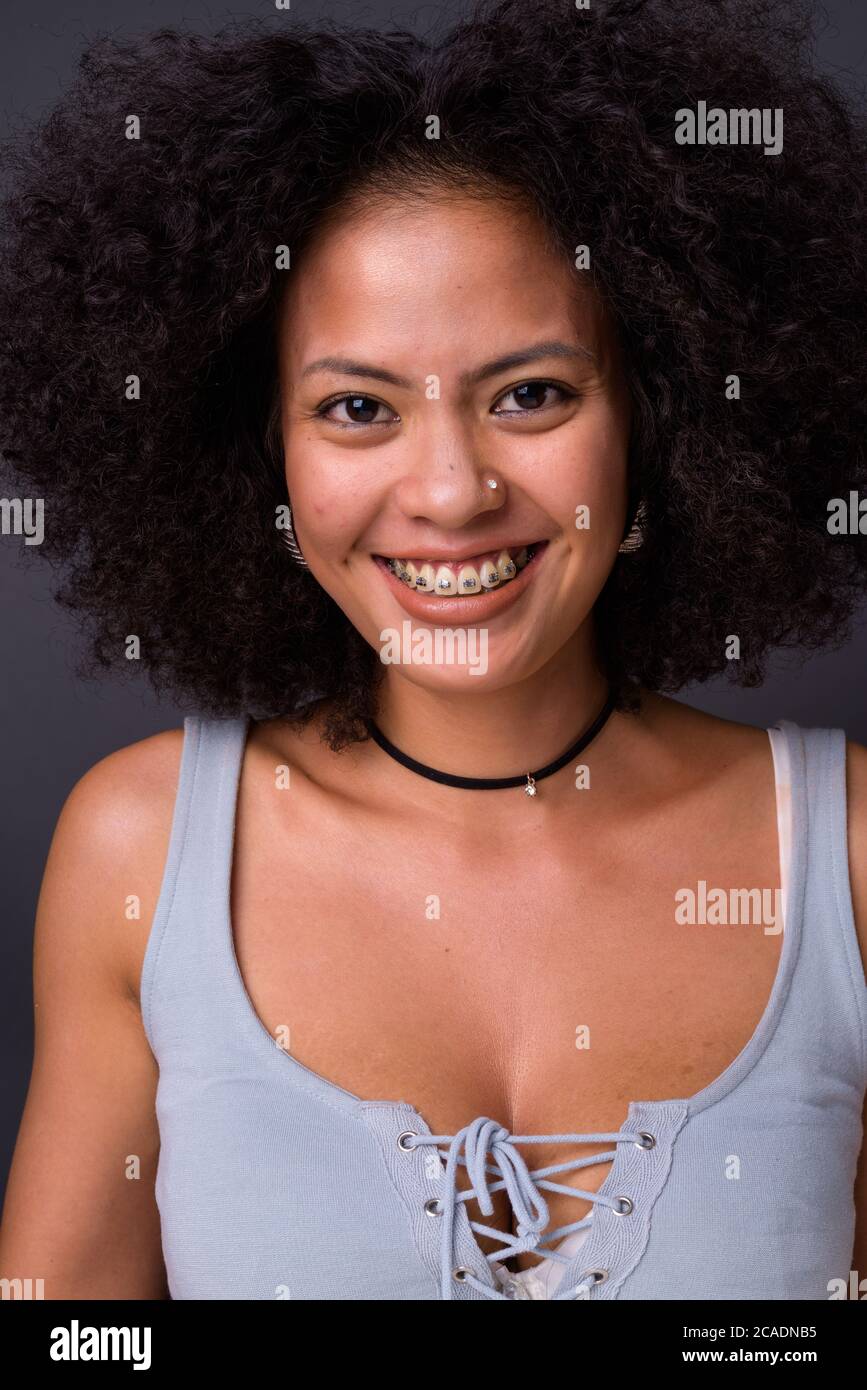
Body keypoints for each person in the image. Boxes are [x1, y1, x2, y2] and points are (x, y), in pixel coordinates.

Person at [1, 0, 866, 1300]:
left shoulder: (847, 857)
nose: (452, 492)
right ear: (261, 450)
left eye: (533, 393)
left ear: (662, 411)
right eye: (358, 408)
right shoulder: (144, 851)